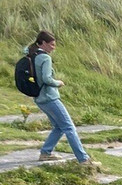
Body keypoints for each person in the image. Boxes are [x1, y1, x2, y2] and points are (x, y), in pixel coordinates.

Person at [25, 31, 100, 168]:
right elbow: (47, 79)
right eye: (52, 45)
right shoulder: (45, 58)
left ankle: (45, 153)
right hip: (49, 97)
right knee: (69, 127)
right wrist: (58, 83)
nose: (54, 47)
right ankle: (83, 160)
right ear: (43, 43)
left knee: (59, 127)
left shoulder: (31, 54)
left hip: (39, 98)